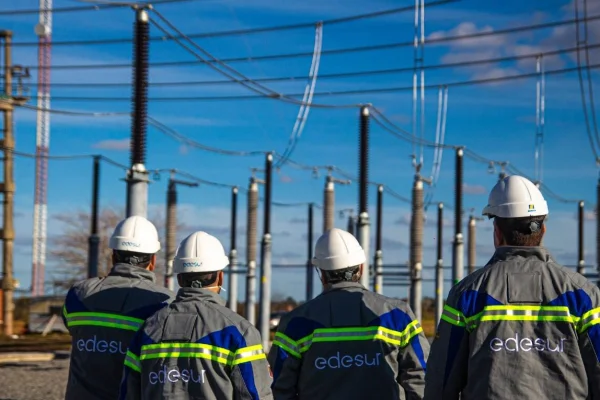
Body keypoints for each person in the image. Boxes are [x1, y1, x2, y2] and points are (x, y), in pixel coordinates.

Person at [424, 175, 600, 399]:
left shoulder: (467, 294)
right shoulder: (582, 294)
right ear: (542, 230)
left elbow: (441, 379)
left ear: (497, 231)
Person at [268, 228, 429, 400]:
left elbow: (278, 387)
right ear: (361, 267)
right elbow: (422, 376)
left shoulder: (295, 323)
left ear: (321, 273)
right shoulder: (398, 315)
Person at [119, 231, 274, 400]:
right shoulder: (239, 332)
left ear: (179, 278)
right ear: (220, 277)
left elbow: (129, 393)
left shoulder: (148, 328)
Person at [62, 216, 175, 400]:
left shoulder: (79, 294)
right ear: (152, 261)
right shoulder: (166, 302)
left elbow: (71, 326)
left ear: (114, 256)